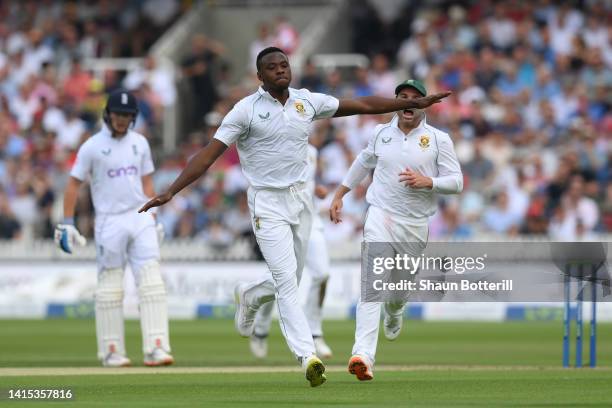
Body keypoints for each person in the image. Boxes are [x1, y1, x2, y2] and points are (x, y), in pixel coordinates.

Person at [139, 48, 450, 387]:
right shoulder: (245, 111)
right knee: (288, 283)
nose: (280, 71)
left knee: (292, 278)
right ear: (260, 77)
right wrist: (172, 190)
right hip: (267, 205)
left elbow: (361, 105)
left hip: (301, 201)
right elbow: (208, 155)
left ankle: (251, 295)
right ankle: (307, 357)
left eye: (284, 65)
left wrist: (413, 105)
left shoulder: (306, 102)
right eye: (271, 68)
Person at [329, 79, 463, 381]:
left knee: (399, 291)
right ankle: (362, 355)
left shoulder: (438, 138)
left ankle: (395, 310)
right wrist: (340, 194)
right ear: (397, 101)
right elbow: (363, 163)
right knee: (372, 282)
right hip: (380, 215)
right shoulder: (380, 133)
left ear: (423, 104)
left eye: (415, 98)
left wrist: (429, 182)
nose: (408, 103)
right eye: (403, 97)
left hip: (415, 223)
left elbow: (457, 182)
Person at [55, 89, 174, 368]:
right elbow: (74, 183)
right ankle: (111, 351)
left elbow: (147, 182)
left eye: (127, 116)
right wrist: (68, 222)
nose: (122, 120)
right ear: (108, 114)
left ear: (133, 118)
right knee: (110, 287)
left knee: (152, 282)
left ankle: (157, 347)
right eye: (118, 115)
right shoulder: (92, 146)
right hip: (109, 221)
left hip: (140, 215)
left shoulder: (140, 143)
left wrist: (153, 215)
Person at [250, 144, 333, 360]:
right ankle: (260, 329)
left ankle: (315, 332)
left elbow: (305, 182)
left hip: (310, 220)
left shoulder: (313, 151)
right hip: (280, 218)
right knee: (282, 279)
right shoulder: (274, 144)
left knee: (322, 273)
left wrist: (317, 189)